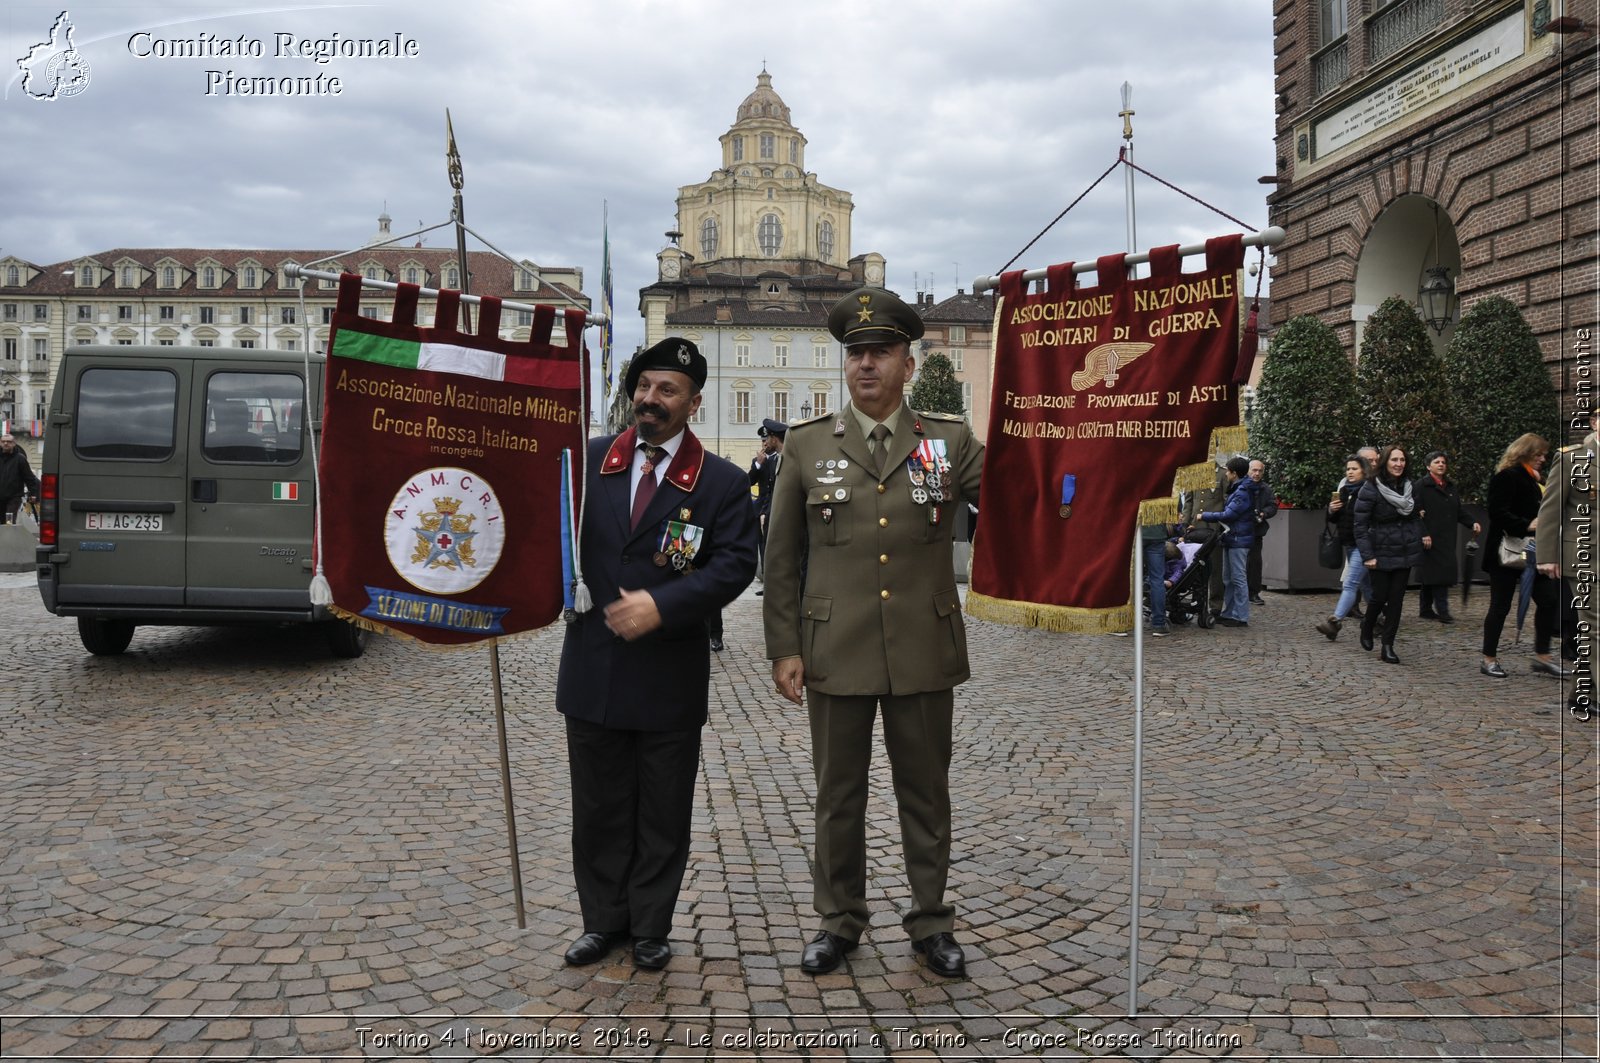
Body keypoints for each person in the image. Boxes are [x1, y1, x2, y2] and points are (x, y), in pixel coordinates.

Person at [763, 286, 983, 980]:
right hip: (837, 648)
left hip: (923, 644)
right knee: (839, 797)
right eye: (855, 353)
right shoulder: (806, 446)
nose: (865, 364)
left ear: (907, 365)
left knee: (926, 792)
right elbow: (781, 558)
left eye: (880, 352)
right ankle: (839, 920)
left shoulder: (947, 441)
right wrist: (785, 648)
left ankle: (930, 923)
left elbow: (1021, 488)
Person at [555, 337, 759, 970]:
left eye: (666, 390)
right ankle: (602, 921)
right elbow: (551, 533)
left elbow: (734, 566)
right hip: (593, 666)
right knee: (597, 808)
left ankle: (649, 925)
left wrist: (663, 604)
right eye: (644, 387)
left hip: (669, 671)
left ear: (693, 402)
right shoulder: (588, 463)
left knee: (662, 809)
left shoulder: (721, 482)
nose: (650, 400)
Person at [1479, 433, 1563, 680]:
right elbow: (1497, 513)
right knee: (1500, 607)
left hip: (1534, 552)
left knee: (1548, 601)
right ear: (1525, 453)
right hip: (1506, 553)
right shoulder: (1507, 476)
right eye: (1539, 454)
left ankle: (1542, 657)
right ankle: (1488, 658)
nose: (1543, 459)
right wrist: (1527, 524)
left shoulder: (1535, 479)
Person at [1537, 410, 1599, 715]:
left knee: (1590, 629)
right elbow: (1551, 510)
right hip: (1584, 557)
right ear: (1594, 422)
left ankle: (1581, 692)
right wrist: (1547, 556)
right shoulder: (1573, 458)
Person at [1354, 444, 1426, 664]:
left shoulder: (1409, 487)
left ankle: (1388, 644)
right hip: (1380, 550)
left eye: (1402, 460)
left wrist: (1418, 537)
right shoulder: (1371, 487)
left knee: (1396, 600)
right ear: (1385, 462)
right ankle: (1368, 625)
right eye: (1394, 460)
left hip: (1404, 550)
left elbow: (1415, 516)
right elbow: (1360, 525)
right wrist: (1368, 555)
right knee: (1379, 596)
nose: (1398, 464)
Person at [1412, 450, 1480, 624]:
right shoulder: (1420, 486)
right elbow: (1414, 512)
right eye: (1436, 462)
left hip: (1447, 538)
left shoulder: (1450, 486)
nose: (1441, 464)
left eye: (1443, 462)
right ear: (1428, 466)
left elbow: (1458, 510)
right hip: (1430, 538)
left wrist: (1472, 523)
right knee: (1437, 575)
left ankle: (1425, 609)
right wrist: (1423, 533)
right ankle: (1443, 611)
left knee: (1432, 575)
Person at [1315, 455, 1369, 640]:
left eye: (1354, 469)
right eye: (1348, 469)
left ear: (1364, 471)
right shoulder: (1345, 491)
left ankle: (1334, 622)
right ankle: (1381, 618)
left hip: (1364, 545)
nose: (1350, 472)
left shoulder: (1369, 491)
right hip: (1349, 544)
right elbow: (1335, 520)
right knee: (1367, 586)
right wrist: (1332, 510)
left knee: (1350, 583)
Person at [1197, 456, 1255, 627]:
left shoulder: (1242, 491)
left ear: (1234, 474)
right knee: (1227, 578)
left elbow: (1229, 514)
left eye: (1229, 471)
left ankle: (1241, 616)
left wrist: (1205, 515)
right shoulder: (1238, 488)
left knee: (1238, 578)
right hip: (1231, 538)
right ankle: (1229, 612)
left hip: (1239, 539)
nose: (1226, 474)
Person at [747, 418, 787, 598]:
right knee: (763, 547)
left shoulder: (780, 458)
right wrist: (757, 464)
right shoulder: (761, 460)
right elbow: (749, 481)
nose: (764, 444)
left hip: (772, 508)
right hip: (762, 509)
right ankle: (766, 581)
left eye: (766, 440)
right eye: (762, 441)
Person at [1245, 459, 1278, 605]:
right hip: (1240, 530)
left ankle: (1253, 592)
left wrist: (1264, 513)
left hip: (1256, 531)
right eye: (1254, 470)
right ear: (1248, 470)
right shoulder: (1241, 486)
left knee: (1255, 562)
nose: (1256, 473)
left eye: (1260, 471)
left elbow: (1272, 506)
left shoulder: (1266, 489)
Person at [0, 432, 41, 525]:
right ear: (0, 443)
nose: (6, 443)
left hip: (14, 496)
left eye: (9, 442)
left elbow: (29, 477)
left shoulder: (20, 459)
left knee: (8, 521)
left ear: (14, 443)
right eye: (3, 441)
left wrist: (33, 493)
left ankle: (8, 539)